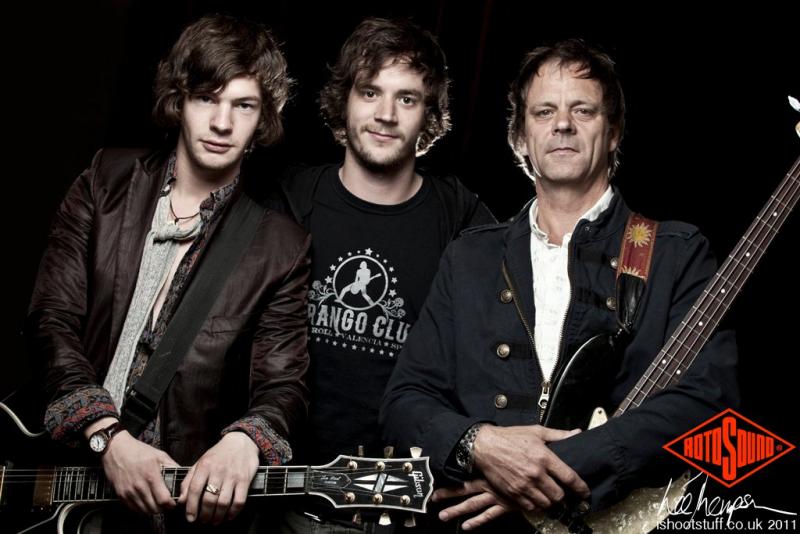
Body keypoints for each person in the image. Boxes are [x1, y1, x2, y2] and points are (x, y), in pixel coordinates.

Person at [381, 39, 738, 531]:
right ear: (521, 137)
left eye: (582, 110)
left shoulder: (676, 252)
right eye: (544, 111)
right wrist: (480, 445)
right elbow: (404, 401)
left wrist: (545, 472)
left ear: (613, 133)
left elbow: (707, 404)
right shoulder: (470, 257)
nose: (563, 124)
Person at [26, 14, 310, 532]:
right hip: (61, 474)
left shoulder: (281, 246)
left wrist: (246, 441)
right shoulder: (105, 181)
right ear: (179, 100)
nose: (222, 123)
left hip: (170, 507)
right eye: (206, 98)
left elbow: (283, 383)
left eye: (243, 105)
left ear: (263, 117)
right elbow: (51, 319)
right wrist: (106, 435)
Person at [276, 17, 494, 533]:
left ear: (429, 116)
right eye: (370, 92)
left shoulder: (462, 219)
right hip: (286, 499)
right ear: (344, 101)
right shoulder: (289, 200)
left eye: (407, 98)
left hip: (406, 507)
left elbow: (501, 354)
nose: (385, 114)